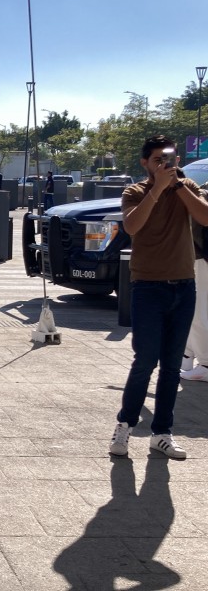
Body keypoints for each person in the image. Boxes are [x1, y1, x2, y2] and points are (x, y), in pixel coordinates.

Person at [109, 136, 208, 459]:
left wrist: (177, 186)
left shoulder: (187, 186)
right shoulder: (135, 192)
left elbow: (205, 217)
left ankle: (161, 432)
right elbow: (133, 225)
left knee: (170, 366)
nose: (165, 165)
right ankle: (124, 425)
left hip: (183, 285)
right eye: (157, 161)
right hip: (148, 287)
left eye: (169, 159)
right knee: (145, 360)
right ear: (145, 163)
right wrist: (157, 188)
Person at [181, 200, 208, 382]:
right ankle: (187, 355)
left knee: (198, 311)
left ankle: (204, 364)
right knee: (194, 309)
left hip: (202, 256)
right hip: (199, 255)